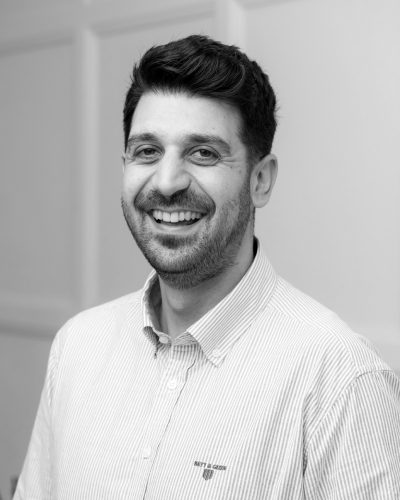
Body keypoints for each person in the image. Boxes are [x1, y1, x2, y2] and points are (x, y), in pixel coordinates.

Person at [15, 34, 400, 499]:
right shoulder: (78, 346)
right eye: (147, 151)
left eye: (204, 153)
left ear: (260, 180)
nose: (167, 182)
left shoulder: (340, 380)